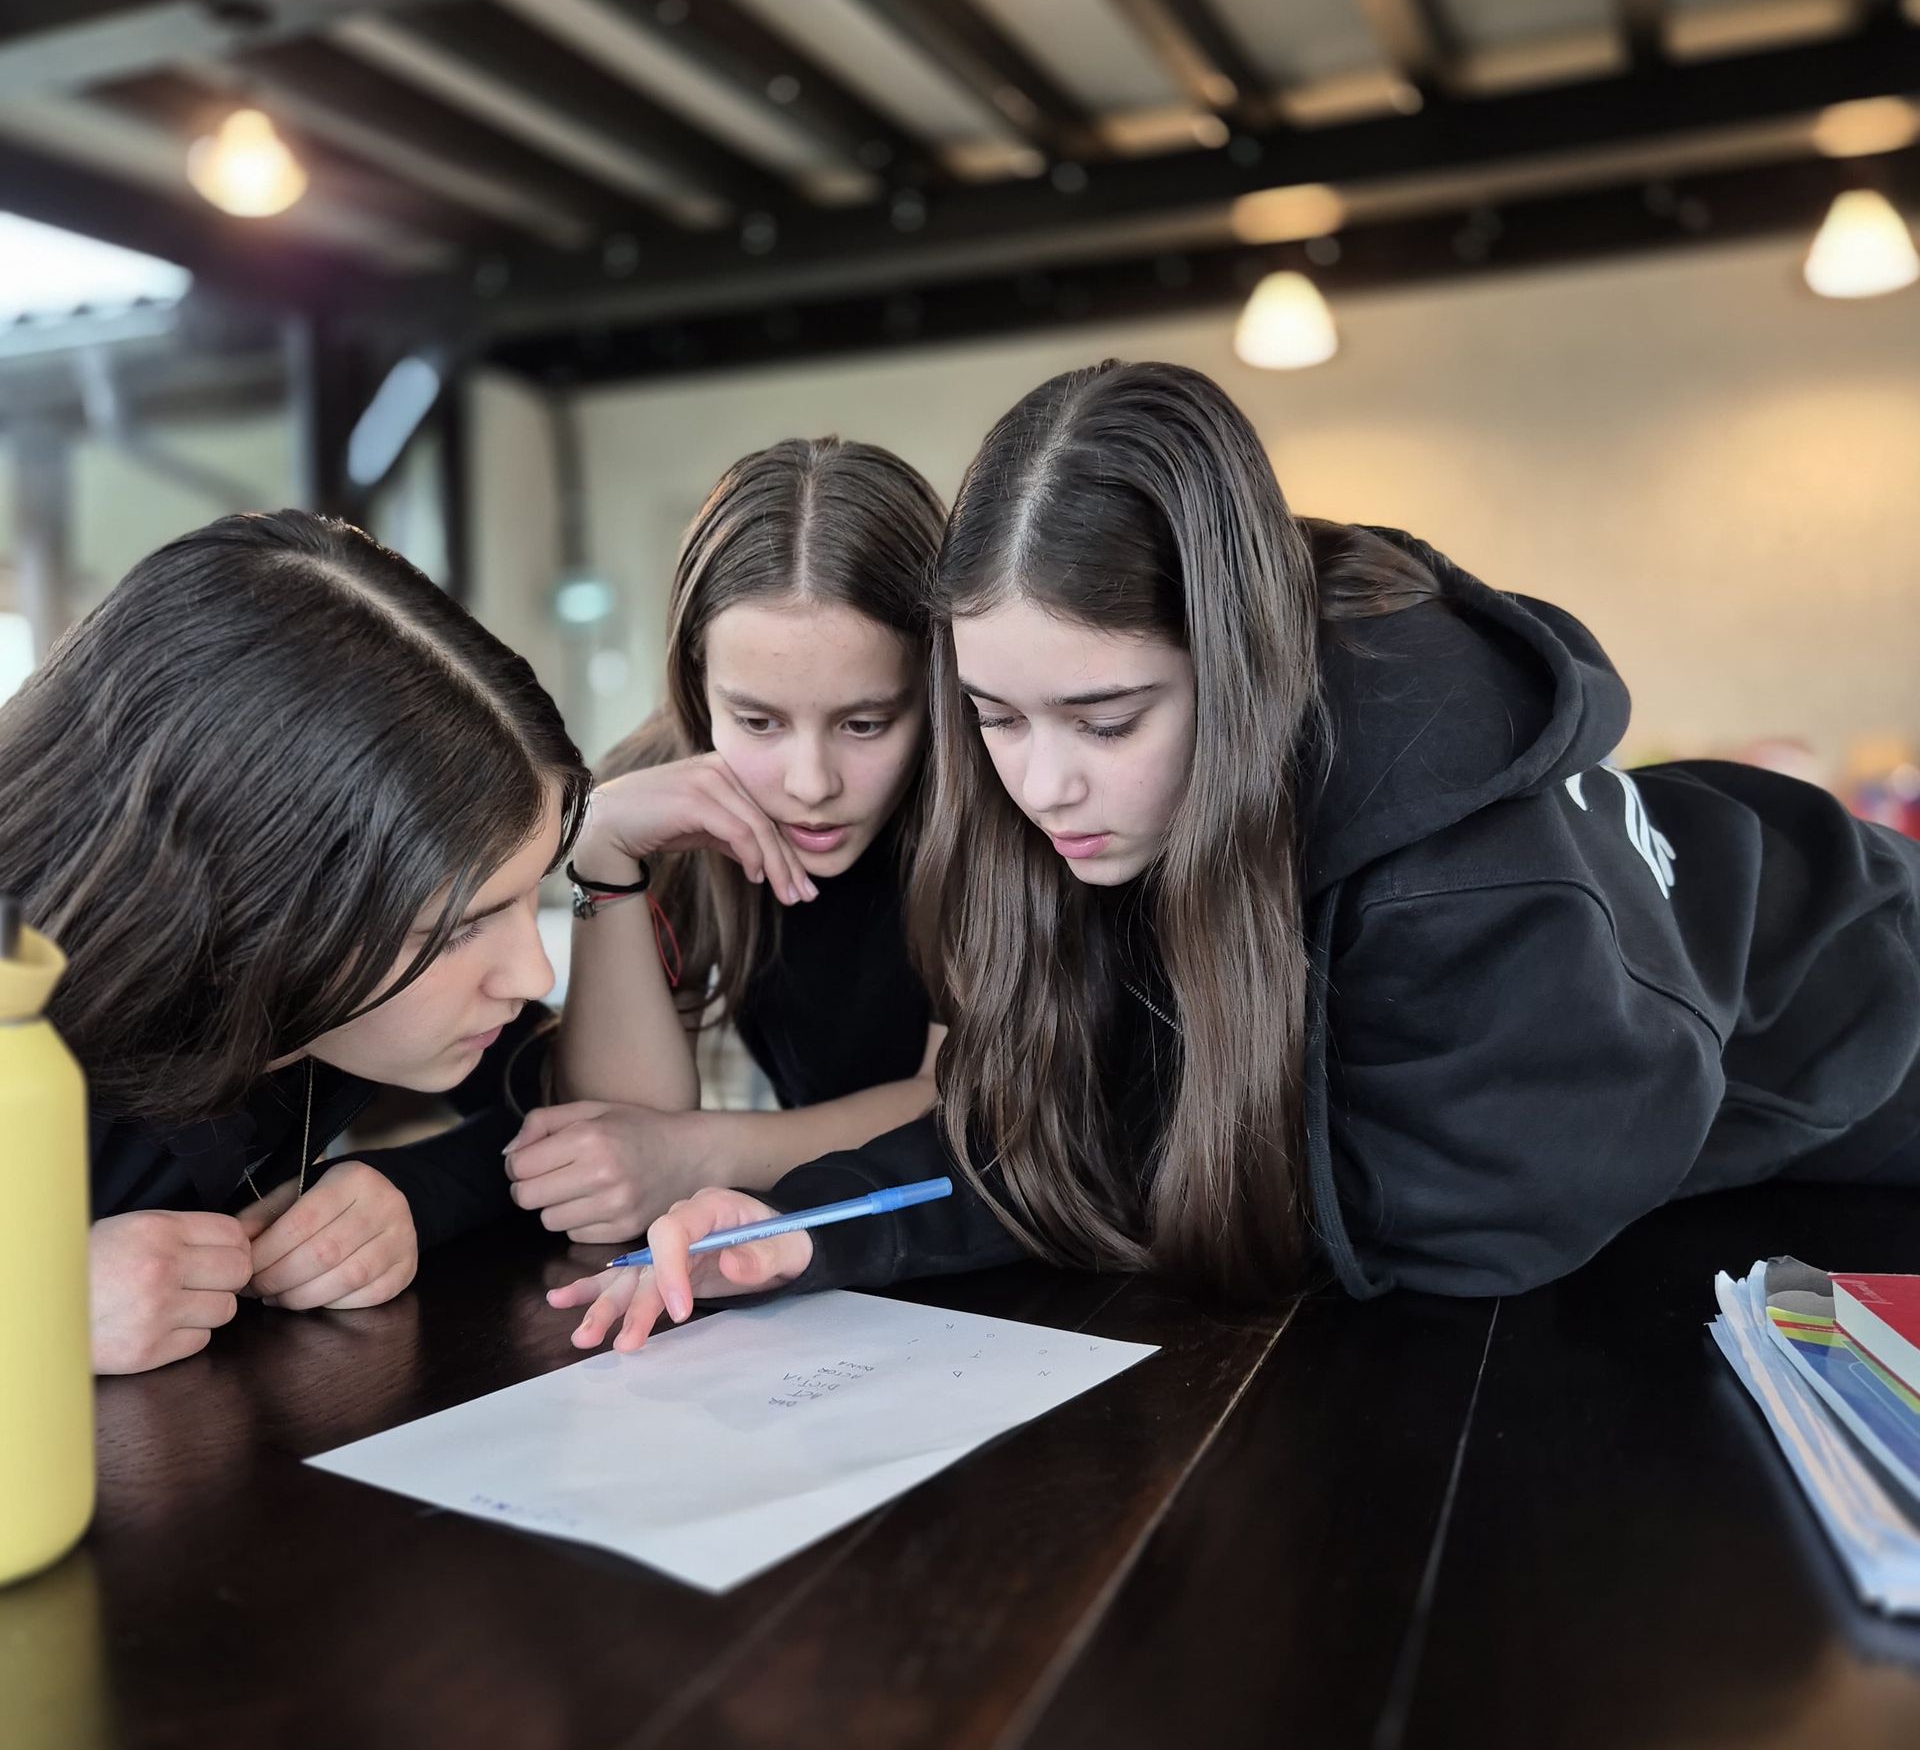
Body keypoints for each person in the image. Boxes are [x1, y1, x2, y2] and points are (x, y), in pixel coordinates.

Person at [553, 357, 1920, 1351]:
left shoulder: (1468, 881)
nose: (1041, 784)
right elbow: (1068, 1126)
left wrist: (1023, 1180)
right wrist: (825, 1223)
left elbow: (1491, 1217)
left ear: (1236, 668)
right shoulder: (1084, 816)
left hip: (1875, 1051)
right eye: (994, 718)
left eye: (1105, 717)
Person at [0, 510, 611, 1375]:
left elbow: (570, 1118)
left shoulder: (351, 983)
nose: (531, 972)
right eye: (455, 929)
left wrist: (413, 1191)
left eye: (528, 899)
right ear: (257, 900)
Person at [504, 436, 948, 1243]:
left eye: (865, 722)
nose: (811, 782)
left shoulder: (991, 802)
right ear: (695, 685)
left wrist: (703, 1152)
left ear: (935, 691)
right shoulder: (658, 798)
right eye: (758, 721)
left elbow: (962, 1103)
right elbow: (622, 1143)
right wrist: (600, 853)